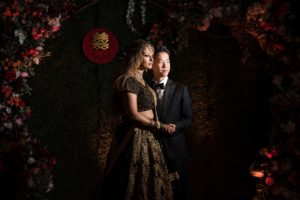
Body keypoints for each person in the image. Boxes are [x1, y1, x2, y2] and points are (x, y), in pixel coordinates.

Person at [102, 39, 179, 200]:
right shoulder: (128, 80)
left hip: (149, 136)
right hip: (135, 136)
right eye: (147, 56)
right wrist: (159, 125)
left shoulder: (142, 82)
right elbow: (133, 115)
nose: (152, 59)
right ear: (137, 57)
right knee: (132, 184)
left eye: (152, 56)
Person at [151, 46, 193, 200]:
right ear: (152, 64)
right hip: (152, 149)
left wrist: (177, 127)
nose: (165, 65)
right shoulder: (145, 89)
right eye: (161, 61)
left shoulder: (181, 89)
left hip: (175, 150)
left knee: (178, 191)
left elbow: (189, 119)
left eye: (167, 61)